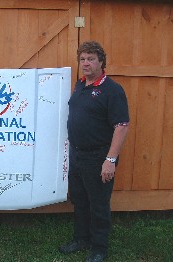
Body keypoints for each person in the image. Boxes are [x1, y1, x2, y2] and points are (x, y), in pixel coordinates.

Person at [59, 41, 129, 262]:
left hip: (98, 157)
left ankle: (99, 248)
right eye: (82, 59)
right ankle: (81, 239)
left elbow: (122, 126)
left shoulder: (112, 90)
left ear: (101, 62)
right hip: (77, 154)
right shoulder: (80, 85)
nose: (86, 63)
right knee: (80, 200)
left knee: (98, 204)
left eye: (91, 59)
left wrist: (110, 160)